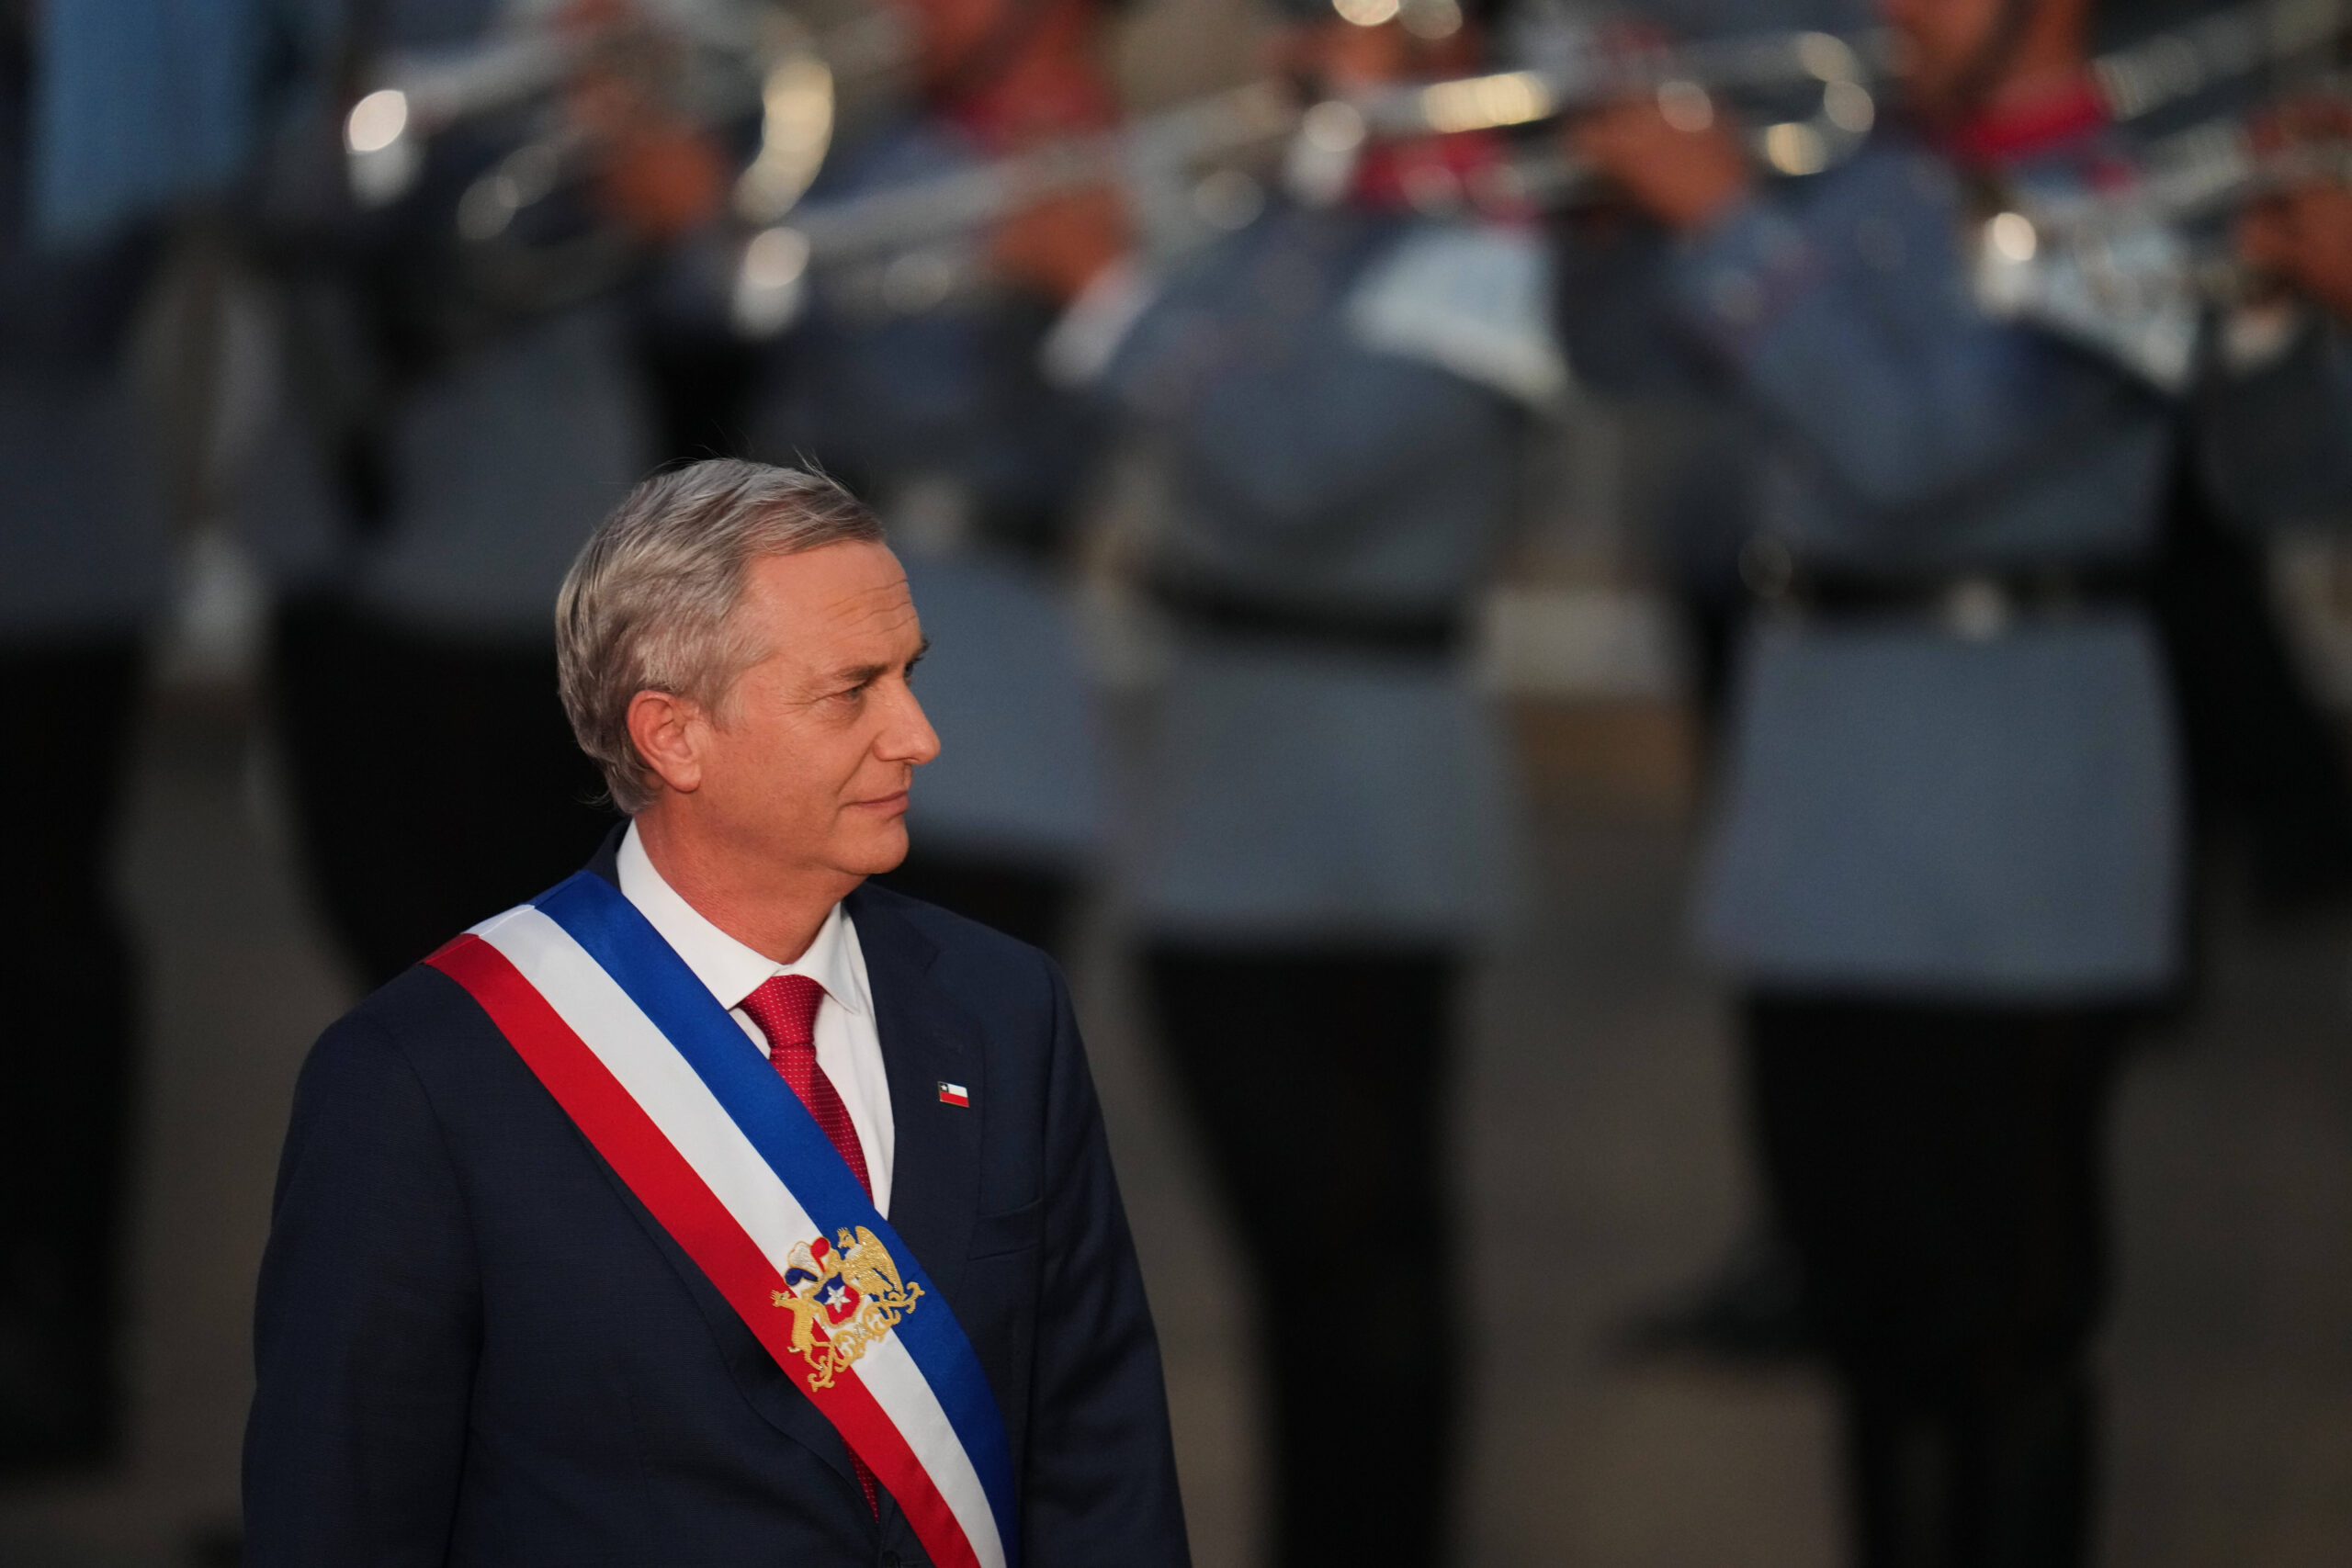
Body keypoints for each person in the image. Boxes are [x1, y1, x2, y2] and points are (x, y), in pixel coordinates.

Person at [1559, 0, 2352, 1561]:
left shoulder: (2122, 202)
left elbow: (1914, 451)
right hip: (1815, 813)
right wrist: (1603, 210)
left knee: (2006, 1323)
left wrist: (1720, 220)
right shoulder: (1868, 179)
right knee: (1864, 1322)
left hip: (2014, 825)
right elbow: (1628, 355)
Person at [243, 459, 1188, 1567]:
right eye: (853, 690)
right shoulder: (420, 1075)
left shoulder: (1002, 1007)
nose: (920, 735)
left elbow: (1099, 1455)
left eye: (910, 675)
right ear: (672, 735)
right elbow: (343, 1516)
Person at [1062, 2, 1559, 1561]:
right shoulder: (1284, 221)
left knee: (1360, 1241)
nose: (1333, 50)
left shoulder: (1492, 239)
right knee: (1297, 1256)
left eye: (1392, 29)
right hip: (1219, 779)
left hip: (1366, 801)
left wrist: (1109, 295)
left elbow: (1293, 467)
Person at [746, 0, 1123, 959]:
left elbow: (910, 395)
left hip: (978, 698)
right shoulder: (893, 141)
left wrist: (1086, 278)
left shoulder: (1100, 172)